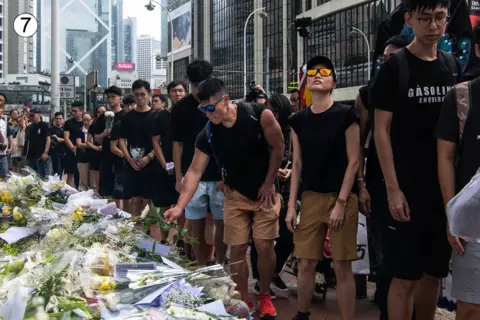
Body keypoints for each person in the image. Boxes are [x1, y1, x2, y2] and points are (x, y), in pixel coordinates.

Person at [370, 0, 461, 317]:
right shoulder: (396, 66)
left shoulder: (450, 66)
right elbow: (381, 131)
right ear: (409, 19)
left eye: (440, 18)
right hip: (406, 189)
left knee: (434, 272)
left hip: (442, 191)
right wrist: (392, 188)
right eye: (425, 19)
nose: (434, 26)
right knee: (405, 274)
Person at [165, 78, 284, 318]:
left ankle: (263, 294)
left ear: (226, 100)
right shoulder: (208, 133)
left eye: (211, 108)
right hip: (235, 193)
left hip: (265, 192)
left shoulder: (259, 115)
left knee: (263, 245)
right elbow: (195, 171)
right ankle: (243, 299)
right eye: (203, 110)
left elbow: (279, 146)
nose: (208, 114)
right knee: (237, 248)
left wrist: (269, 181)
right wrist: (179, 207)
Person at [285, 56, 361, 320]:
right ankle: (301, 314)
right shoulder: (298, 120)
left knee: (342, 265)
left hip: (341, 198)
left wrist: (341, 203)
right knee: (305, 262)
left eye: (325, 72)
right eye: (313, 72)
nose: (318, 75)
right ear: (306, 82)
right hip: (310, 198)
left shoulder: (346, 115)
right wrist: (290, 206)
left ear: (334, 82)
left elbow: (354, 162)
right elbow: (297, 164)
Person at [354, 34, 411, 319]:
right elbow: (361, 146)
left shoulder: (422, 84)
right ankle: (387, 306)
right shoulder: (367, 95)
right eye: (384, 59)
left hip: (416, 181)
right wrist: (361, 186)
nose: (387, 63)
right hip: (378, 183)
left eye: (394, 58)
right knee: (382, 251)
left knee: (413, 256)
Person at [435, 23, 480, 320]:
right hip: (472, 225)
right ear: (478, 49)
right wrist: (452, 216)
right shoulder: (462, 97)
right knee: (470, 307)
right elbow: (446, 157)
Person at [170, 60, 225, 266]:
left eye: (201, 84)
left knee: (221, 222)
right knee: (195, 222)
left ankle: (219, 263)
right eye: (194, 86)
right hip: (192, 173)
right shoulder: (180, 109)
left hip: (219, 172)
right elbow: (177, 144)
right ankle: (201, 264)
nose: (197, 90)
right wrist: (178, 177)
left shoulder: (220, 103)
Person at [251, 94, 294, 297]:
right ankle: (261, 280)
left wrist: (292, 171)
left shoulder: (294, 132)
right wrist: (274, 172)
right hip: (264, 190)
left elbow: (301, 159)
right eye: (270, 109)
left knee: (288, 237)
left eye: (277, 111)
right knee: (260, 239)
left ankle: (272, 272)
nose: (273, 115)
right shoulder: (260, 129)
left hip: (289, 193)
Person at [119, 80, 156, 217]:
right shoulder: (128, 117)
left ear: (149, 95)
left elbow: (161, 141)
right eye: (136, 95)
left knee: (148, 200)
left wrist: (149, 157)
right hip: (132, 162)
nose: (139, 98)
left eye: (142, 94)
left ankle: (147, 232)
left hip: (151, 162)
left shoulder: (155, 116)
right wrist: (129, 159)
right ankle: (134, 230)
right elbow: (121, 140)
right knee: (134, 199)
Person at [151, 94, 179, 242]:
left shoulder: (188, 113)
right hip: (164, 166)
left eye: (181, 90)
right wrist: (165, 164)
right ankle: (163, 240)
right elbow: (155, 142)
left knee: (183, 206)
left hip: (185, 166)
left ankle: (181, 241)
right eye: (174, 91)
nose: (178, 94)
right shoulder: (160, 116)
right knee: (164, 205)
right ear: (169, 95)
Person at [94, 86, 125, 198]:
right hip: (106, 155)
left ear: (120, 98)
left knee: (121, 191)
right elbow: (96, 138)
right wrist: (103, 134)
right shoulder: (103, 116)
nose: (110, 99)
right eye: (108, 97)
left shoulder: (125, 115)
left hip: (121, 156)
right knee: (106, 190)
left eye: (113, 97)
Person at [63, 101, 84, 188]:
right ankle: (69, 192)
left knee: (82, 174)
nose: (73, 113)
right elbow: (66, 137)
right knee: (70, 174)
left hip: (83, 150)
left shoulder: (85, 122)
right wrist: (72, 147)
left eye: (75, 111)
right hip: (71, 151)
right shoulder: (68, 123)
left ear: (81, 111)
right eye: (72, 111)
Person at [26, 109, 51, 178]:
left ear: (38, 115)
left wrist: (46, 152)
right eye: (30, 115)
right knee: (32, 176)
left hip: (41, 155)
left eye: (33, 115)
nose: (31, 117)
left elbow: (48, 139)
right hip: (32, 155)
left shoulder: (44, 125)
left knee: (41, 175)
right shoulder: (30, 127)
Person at [88, 106, 105, 192]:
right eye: (99, 112)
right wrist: (96, 148)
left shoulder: (110, 124)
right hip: (96, 153)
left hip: (108, 153)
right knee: (97, 179)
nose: (101, 114)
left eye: (103, 112)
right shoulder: (93, 126)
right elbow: (88, 141)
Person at [76, 112, 94, 190]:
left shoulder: (95, 130)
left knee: (93, 179)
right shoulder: (79, 131)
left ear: (92, 120)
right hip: (82, 157)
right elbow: (79, 144)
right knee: (83, 179)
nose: (86, 122)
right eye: (84, 120)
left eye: (88, 120)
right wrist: (91, 145)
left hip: (93, 157)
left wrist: (87, 145)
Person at [0, 94, 14, 177]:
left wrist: (11, 146)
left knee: (5, 175)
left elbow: (9, 134)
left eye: (2, 100)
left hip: (2, 153)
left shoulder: (4, 121)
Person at [49, 112, 66, 177]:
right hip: (55, 154)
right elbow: (53, 139)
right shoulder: (51, 129)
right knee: (57, 172)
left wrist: (62, 139)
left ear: (63, 119)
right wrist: (65, 139)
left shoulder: (66, 129)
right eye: (57, 118)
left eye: (60, 118)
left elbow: (71, 139)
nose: (58, 120)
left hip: (65, 153)